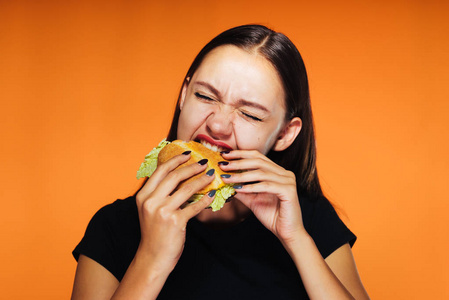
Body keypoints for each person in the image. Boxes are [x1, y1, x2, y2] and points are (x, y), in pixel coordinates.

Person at [71, 24, 370, 299]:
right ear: (184, 95)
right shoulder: (114, 227)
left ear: (284, 134)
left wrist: (296, 240)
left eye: (250, 114)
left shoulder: (309, 219)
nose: (218, 126)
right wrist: (151, 260)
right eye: (204, 96)